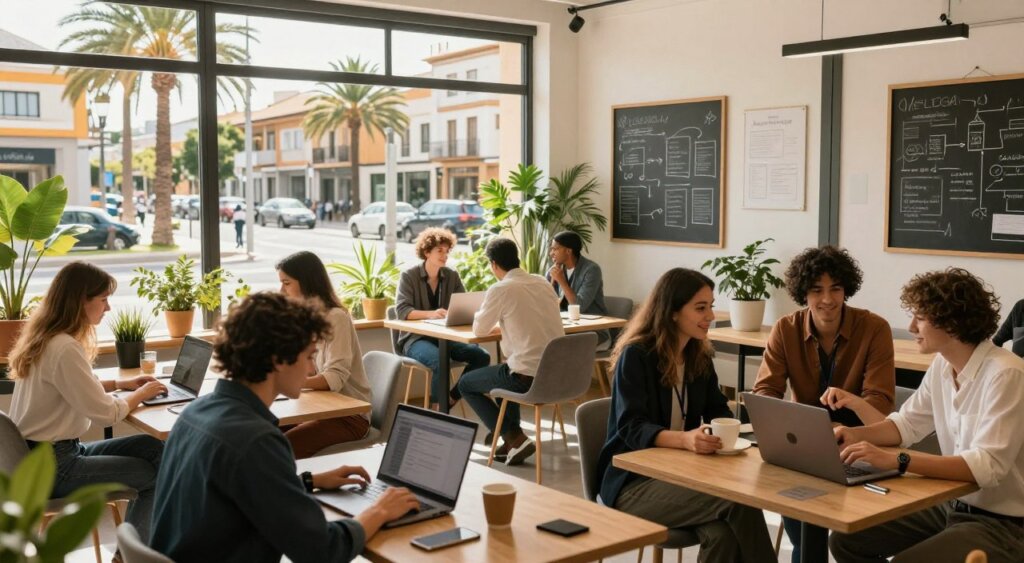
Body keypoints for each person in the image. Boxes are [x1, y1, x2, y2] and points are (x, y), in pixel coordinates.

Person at [150, 292, 419, 562]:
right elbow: (322, 550)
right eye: (309, 356)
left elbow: (236, 493)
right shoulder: (256, 440)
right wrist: (379, 510)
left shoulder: (194, 413)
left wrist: (306, 482)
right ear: (279, 359)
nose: (312, 369)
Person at [829, 268, 1024, 563]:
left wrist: (900, 460)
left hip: (1005, 524)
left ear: (952, 322)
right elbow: (906, 425)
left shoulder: (1006, 373)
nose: (910, 326)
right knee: (846, 540)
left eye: (920, 317)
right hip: (952, 504)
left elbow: (987, 467)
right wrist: (854, 434)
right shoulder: (942, 366)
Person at [596, 268, 776, 563]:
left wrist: (730, 426)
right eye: (701, 308)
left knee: (721, 536)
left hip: (681, 475)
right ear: (672, 312)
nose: (711, 315)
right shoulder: (637, 355)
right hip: (632, 483)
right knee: (740, 502)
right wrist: (685, 440)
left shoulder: (698, 355)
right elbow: (631, 427)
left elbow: (717, 408)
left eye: (711, 305)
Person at [752, 245, 896, 560]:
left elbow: (881, 405)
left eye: (836, 289)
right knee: (805, 538)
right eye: (817, 290)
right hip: (801, 448)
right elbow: (765, 391)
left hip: (860, 447)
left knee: (853, 542)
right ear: (803, 292)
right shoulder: (785, 329)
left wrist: (850, 404)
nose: (827, 299)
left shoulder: (874, 329)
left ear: (847, 289)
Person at [8, 262, 167, 540]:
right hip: (57, 468)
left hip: (45, 458)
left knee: (154, 448)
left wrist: (119, 384)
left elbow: (71, 386)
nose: (108, 308)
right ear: (81, 301)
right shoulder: (64, 347)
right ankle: (130, 557)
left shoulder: (46, 339)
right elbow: (106, 413)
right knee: (154, 476)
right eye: (104, 300)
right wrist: (142, 394)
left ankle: (154, 542)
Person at [457, 237, 562, 465]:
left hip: (527, 377)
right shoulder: (542, 282)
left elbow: (480, 328)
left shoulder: (501, 289)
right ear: (517, 258)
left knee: (466, 384)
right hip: (558, 375)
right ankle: (511, 442)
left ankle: (514, 437)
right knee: (510, 365)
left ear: (494, 264)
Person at [276, 251, 373, 459]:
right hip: (315, 406)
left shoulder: (336, 318)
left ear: (306, 282)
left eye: (286, 283)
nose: (281, 290)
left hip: (348, 416)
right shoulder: (303, 317)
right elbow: (306, 369)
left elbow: (334, 379)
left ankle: (297, 488)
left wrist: (287, 382)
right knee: (260, 437)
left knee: (281, 449)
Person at [395, 227, 490, 410]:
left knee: (481, 357)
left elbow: (463, 304)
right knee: (440, 361)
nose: (445, 255)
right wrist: (432, 313)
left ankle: (451, 398)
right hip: (415, 339)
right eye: (440, 251)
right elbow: (402, 311)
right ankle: (437, 410)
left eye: (447, 251)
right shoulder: (409, 275)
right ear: (426, 252)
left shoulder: (451, 276)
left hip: (445, 337)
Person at [546, 230, 608, 316]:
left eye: (555, 249)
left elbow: (580, 307)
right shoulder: (554, 271)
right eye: (551, 249)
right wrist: (552, 281)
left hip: (592, 324)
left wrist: (562, 281)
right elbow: (547, 302)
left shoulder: (591, 270)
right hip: (566, 323)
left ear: (568, 251)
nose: (551, 253)